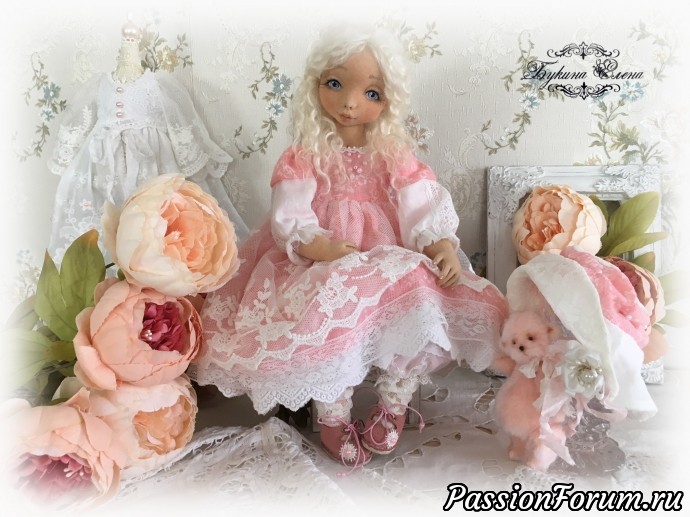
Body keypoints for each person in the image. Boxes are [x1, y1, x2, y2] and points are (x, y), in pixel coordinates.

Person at [192, 24, 507, 468]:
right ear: (316, 84)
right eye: (335, 84)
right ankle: (333, 411)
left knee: (420, 290)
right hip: (319, 255)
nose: (350, 103)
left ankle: (394, 400)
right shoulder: (306, 154)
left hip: (382, 255)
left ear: (388, 100)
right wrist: (317, 246)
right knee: (322, 306)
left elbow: (418, 205)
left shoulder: (392, 154)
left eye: (371, 93)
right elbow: (291, 215)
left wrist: (438, 242)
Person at [47, 20, 249, 262]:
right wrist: (68, 152)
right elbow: (77, 120)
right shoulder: (99, 84)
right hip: (103, 166)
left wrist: (189, 154)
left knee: (155, 226)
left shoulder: (156, 84)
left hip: (151, 165)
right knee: (103, 229)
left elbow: (179, 120)